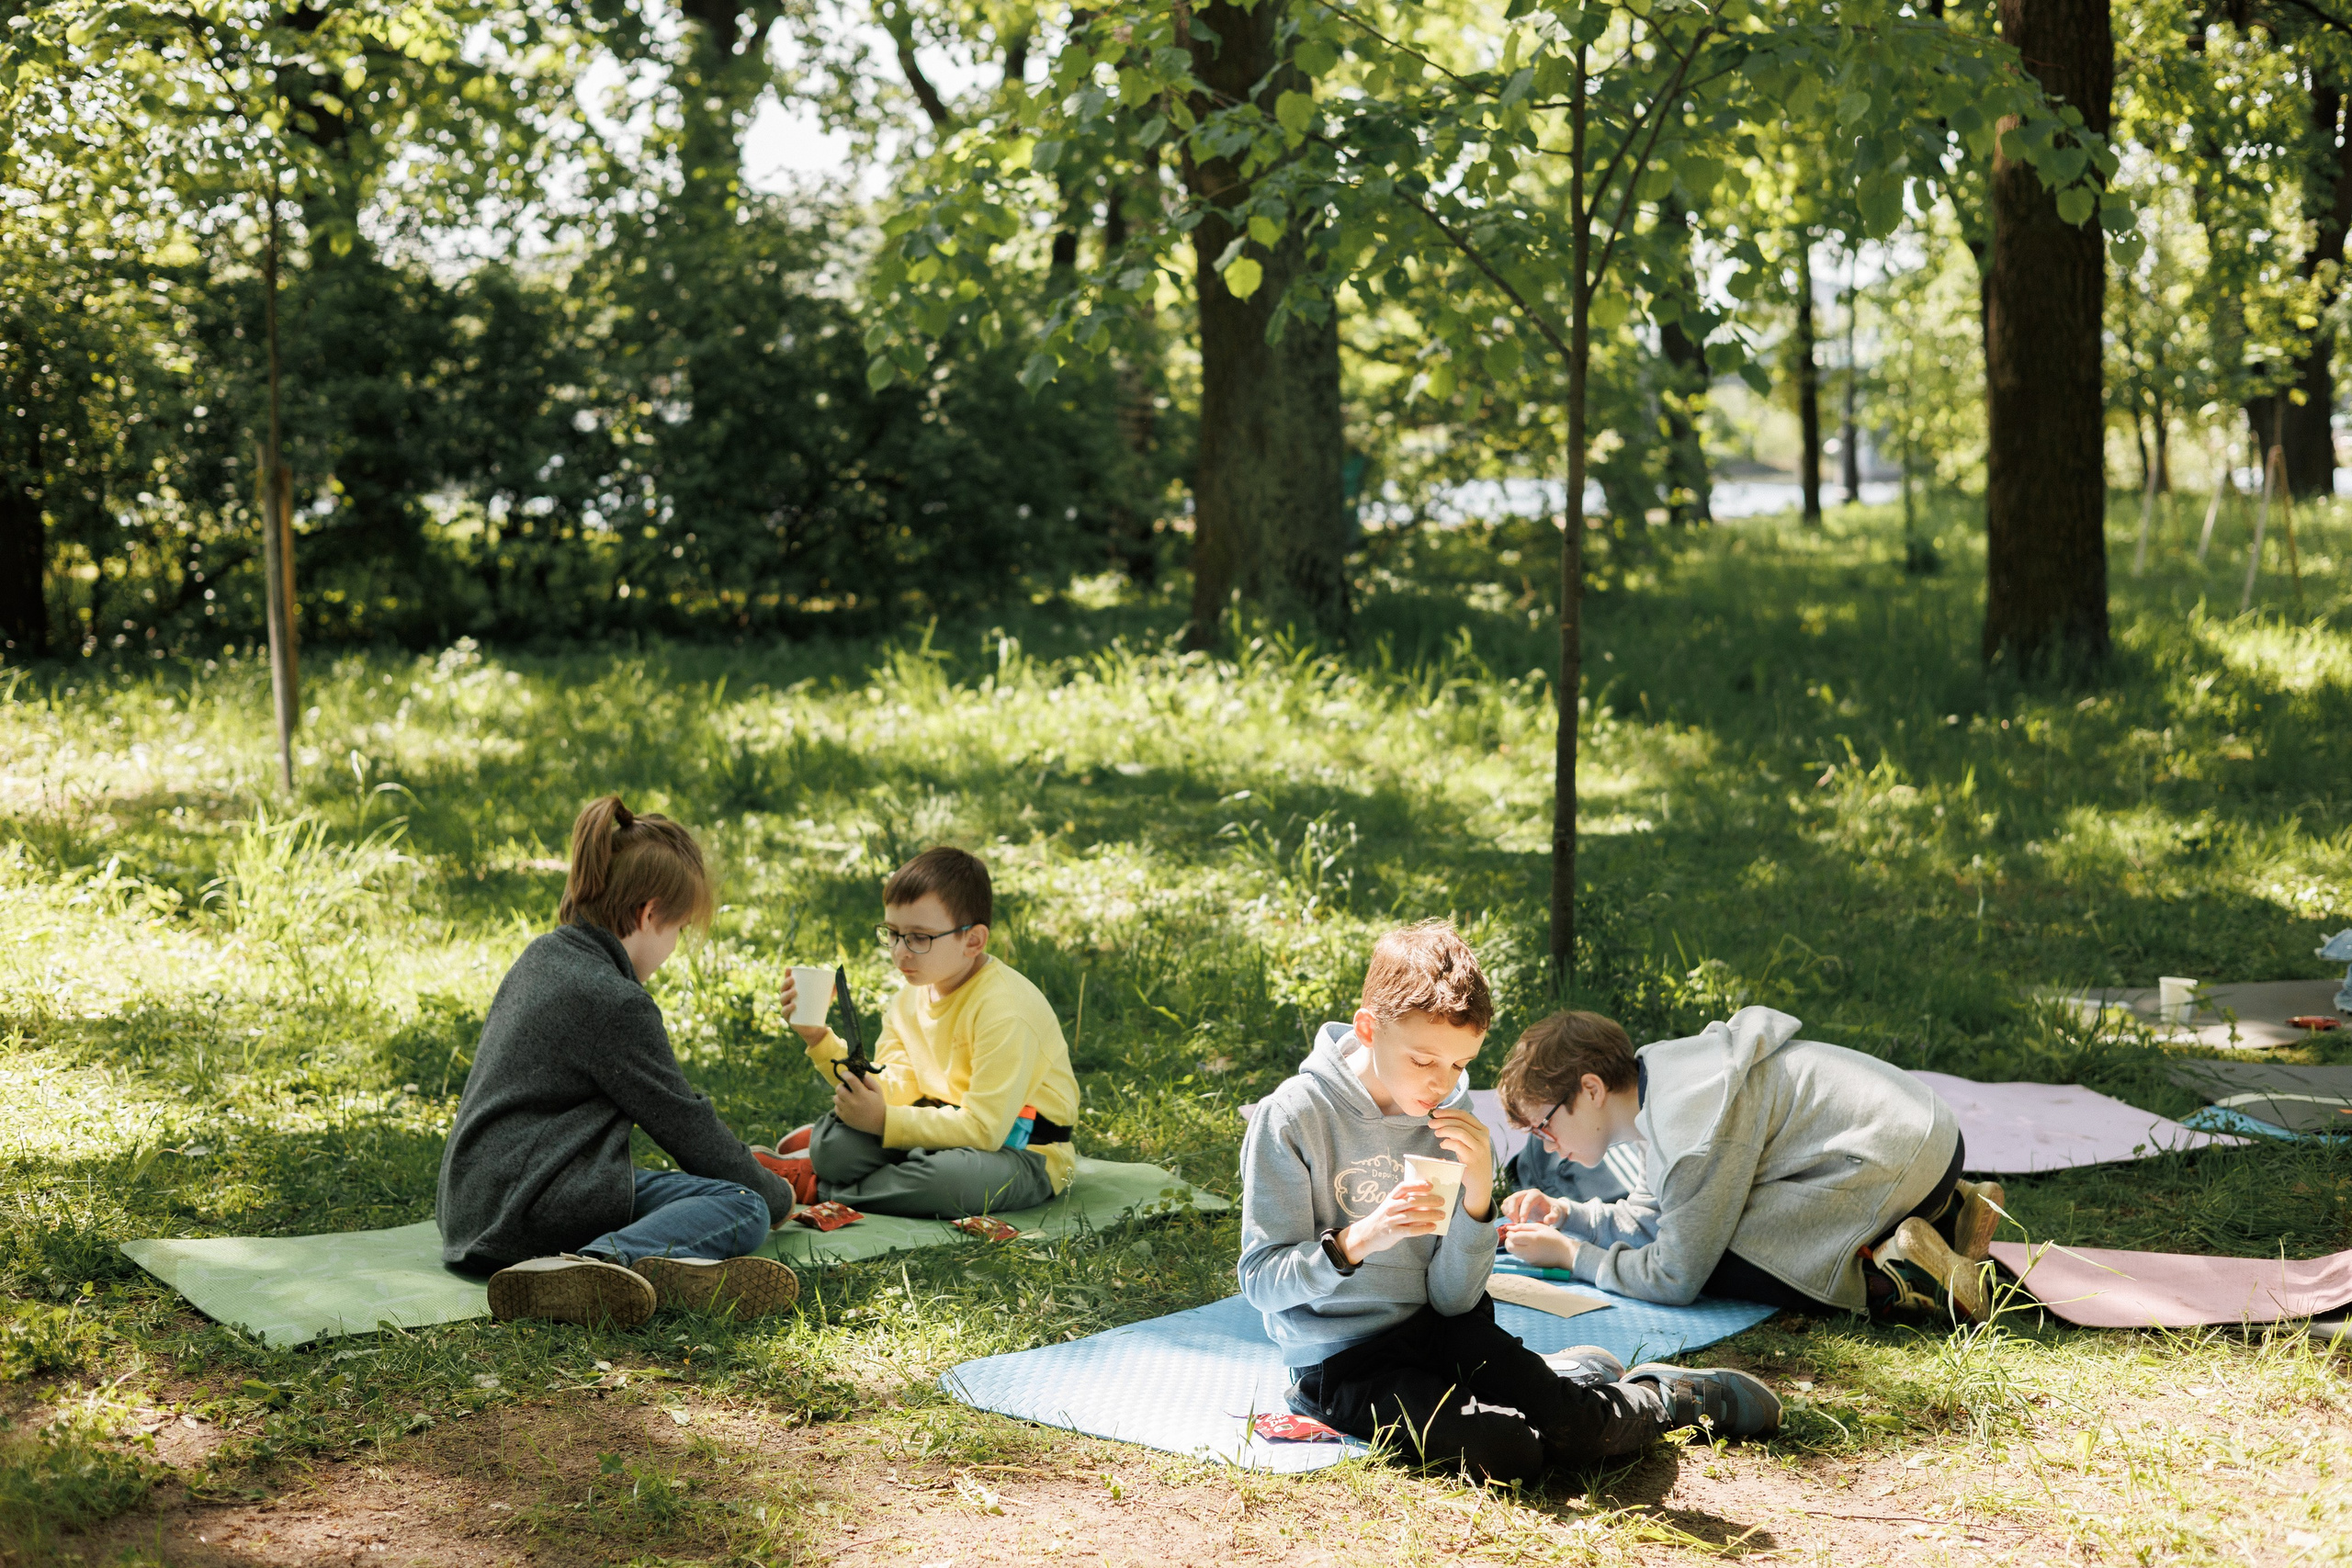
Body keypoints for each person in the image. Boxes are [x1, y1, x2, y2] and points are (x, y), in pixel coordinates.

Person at [1237, 920, 1781, 1484]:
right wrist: (1357, 1241)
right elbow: (1260, 1278)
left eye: (1458, 1065)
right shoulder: (1294, 1118)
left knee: (1580, 1431)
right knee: (1509, 1453)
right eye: (1424, 1061)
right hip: (1341, 1359)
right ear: (1369, 1030)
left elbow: (1453, 1301)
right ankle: (1563, 1379)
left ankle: (1667, 1396)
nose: (1439, 1083)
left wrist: (1477, 1202)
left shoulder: (1449, 1124)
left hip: (1447, 1330)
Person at [436, 796, 800, 1327]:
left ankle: (656, 1270)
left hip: (472, 1208)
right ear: (649, 914)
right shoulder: (615, 1001)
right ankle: (595, 1265)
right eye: (677, 930)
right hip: (529, 1209)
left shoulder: (543, 956)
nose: (674, 945)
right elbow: (685, 1125)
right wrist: (777, 1195)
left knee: (677, 1191)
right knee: (742, 1206)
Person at [1494, 1007, 2006, 1319]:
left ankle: (1906, 1280)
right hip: (1926, 1140)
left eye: (1545, 1125)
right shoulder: (1664, 1082)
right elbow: (1657, 1215)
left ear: (1590, 1089)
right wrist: (1570, 1216)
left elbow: (1675, 1274)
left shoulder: (1688, 1133)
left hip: (1893, 1159)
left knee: (1717, 1258)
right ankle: (1951, 1211)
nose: (1547, 1144)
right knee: (1702, 1227)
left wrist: (1572, 1257)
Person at [764, 847, 1079, 1219]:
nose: (901, 952)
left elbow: (985, 1131)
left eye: (920, 937)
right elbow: (898, 1086)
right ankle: (830, 1163)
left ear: (973, 941)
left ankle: (815, 1186)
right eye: (893, 933)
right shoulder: (909, 997)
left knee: (946, 1183)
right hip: (940, 1128)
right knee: (835, 1146)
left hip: (1021, 1151)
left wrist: (881, 1122)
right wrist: (817, 1037)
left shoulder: (1005, 1011)